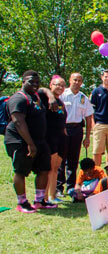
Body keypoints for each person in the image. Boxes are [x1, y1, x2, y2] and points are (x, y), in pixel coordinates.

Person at [5, 70, 58, 213]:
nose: (35, 84)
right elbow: (18, 122)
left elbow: (44, 89)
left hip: (39, 140)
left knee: (44, 169)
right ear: (23, 82)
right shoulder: (19, 99)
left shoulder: (36, 96)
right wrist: (30, 144)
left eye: (37, 82)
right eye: (31, 82)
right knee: (21, 171)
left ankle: (39, 200)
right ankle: (22, 202)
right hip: (20, 140)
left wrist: (51, 97)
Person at [58, 72, 93, 198]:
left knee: (73, 159)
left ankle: (71, 187)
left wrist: (87, 136)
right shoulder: (62, 95)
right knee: (60, 159)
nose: (77, 82)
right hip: (63, 128)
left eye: (79, 80)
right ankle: (58, 187)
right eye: (75, 80)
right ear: (70, 80)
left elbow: (89, 117)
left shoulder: (83, 98)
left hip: (77, 129)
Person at [40, 76, 67, 203]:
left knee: (56, 168)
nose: (60, 87)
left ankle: (52, 195)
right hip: (49, 138)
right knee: (49, 168)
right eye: (57, 84)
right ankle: (44, 198)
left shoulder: (61, 102)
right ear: (51, 85)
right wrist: (50, 96)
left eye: (62, 85)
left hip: (60, 138)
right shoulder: (45, 98)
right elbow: (40, 89)